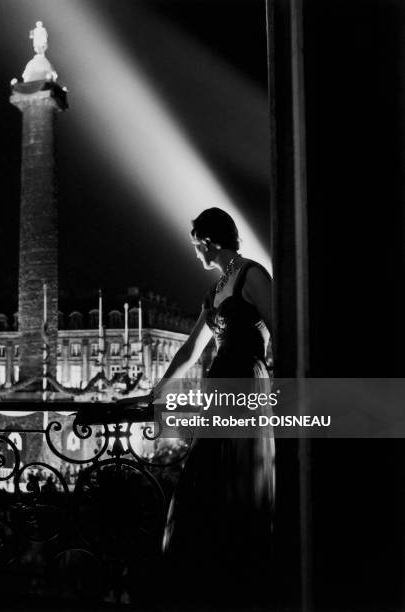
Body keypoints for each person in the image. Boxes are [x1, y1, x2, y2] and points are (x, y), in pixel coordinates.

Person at [151, 207, 276, 609]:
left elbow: (283, 328)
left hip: (243, 382)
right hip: (220, 385)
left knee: (231, 470)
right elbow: (190, 350)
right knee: (213, 472)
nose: (194, 253)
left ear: (208, 240)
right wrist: (157, 390)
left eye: (195, 244)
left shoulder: (252, 275)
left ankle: (233, 576)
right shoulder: (217, 289)